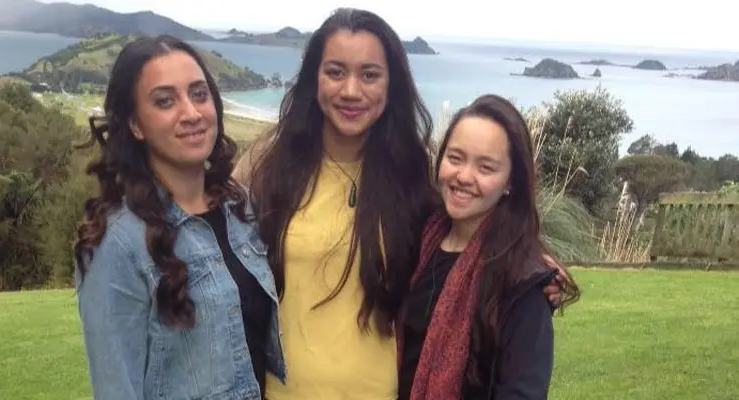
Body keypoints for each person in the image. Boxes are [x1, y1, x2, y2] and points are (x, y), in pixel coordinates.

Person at [234, 8, 567, 399]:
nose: (352, 91)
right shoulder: (268, 164)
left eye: (370, 75)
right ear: (314, 79)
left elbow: (465, 229)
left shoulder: (412, 171)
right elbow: (213, 236)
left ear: (392, 84)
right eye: (336, 71)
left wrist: (529, 259)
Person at [74, 35, 285, 400]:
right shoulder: (119, 243)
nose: (191, 113)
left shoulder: (238, 208)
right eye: (165, 101)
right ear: (136, 125)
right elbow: (115, 387)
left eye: (199, 94)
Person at [396, 94, 581, 400]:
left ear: (510, 182)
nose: (464, 176)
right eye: (455, 158)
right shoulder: (419, 241)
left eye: (485, 167)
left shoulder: (522, 284)